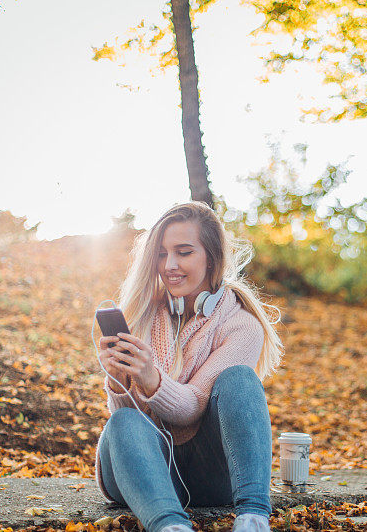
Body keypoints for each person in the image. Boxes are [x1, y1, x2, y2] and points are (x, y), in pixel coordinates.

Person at [94, 201, 283, 532]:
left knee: (239, 379)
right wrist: (119, 380)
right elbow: (132, 417)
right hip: (142, 469)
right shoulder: (142, 314)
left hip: (208, 473)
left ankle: (253, 519)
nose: (170, 265)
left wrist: (153, 380)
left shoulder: (241, 326)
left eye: (183, 252)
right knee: (123, 420)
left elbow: (193, 406)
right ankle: (170, 526)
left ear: (212, 258)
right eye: (163, 254)